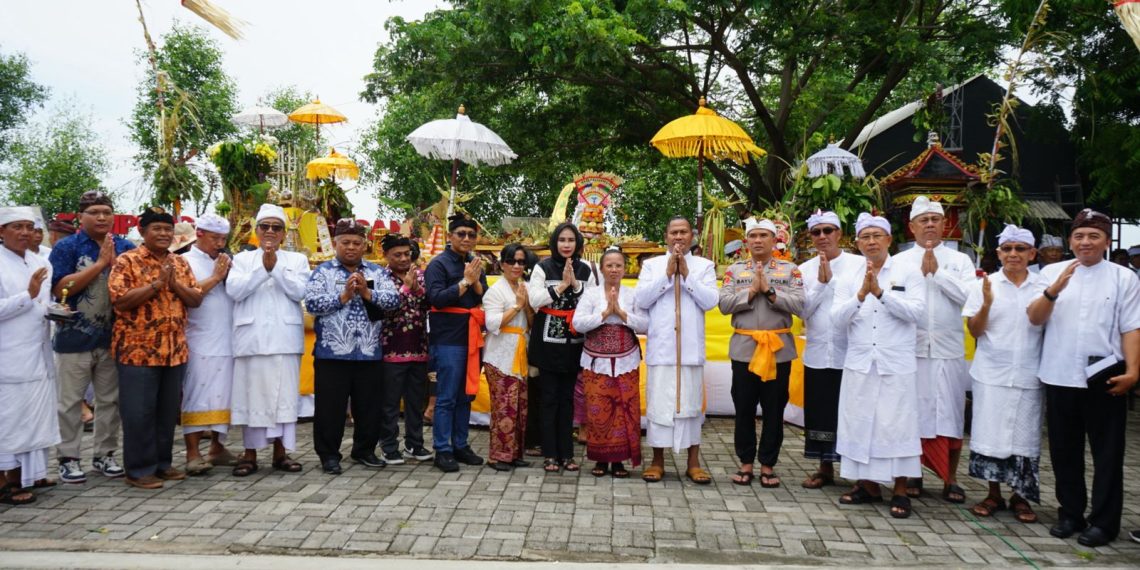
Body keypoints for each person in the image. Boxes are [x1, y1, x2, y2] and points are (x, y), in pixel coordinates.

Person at [1027, 209, 1140, 547]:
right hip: (1059, 373)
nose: (1085, 242)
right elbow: (1033, 318)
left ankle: (1104, 523)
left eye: (1093, 236)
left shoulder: (1124, 277)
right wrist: (1054, 290)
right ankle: (1070, 513)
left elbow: (1131, 327)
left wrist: (1134, 371)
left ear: (1106, 241)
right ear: (1070, 241)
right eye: (1079, 236)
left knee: (1107, 453)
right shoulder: (1049, 272)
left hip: (1105, 376)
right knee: (1064, 450)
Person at [832, 212, 926, 519]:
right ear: (857, 242)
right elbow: (836, 319)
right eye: (865, 237)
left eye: (877, 236)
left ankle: (899, 489)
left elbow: (916, 312)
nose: (871, 242)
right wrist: (860, 295)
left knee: (897, 424)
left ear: (888, 239)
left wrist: (881, 294)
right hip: (860, 361)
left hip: (895, 362)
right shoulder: (848, 275)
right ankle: (867, 485)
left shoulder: (909, 271)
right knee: (860, 421)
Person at [108, 207, 203, 489]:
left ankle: (163, 464)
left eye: (167, 229)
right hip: (138, 351)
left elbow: (195, 299)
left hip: (174, 350)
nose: (163, 234)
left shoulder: (180, 263)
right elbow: (120, 301)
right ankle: (138, 470)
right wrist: (156, 284)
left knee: (166, 412)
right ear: (142, 232)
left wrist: (173, 283)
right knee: (139, 413)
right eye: (156, 229)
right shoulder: (128, 261)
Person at [962, 224, 1047, 524]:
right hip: (991, 372)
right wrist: (986, 304)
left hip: (1029, 373)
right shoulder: (985, 285)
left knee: (1025, 437)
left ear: (1031, 253)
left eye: (1020, 249)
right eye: (1007, 249)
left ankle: (1021, 496)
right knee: (989, 434)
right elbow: (974, 331)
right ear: (998, 253)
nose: (1013, 254)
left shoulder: (1042, 287)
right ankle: (993, 493)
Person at [892, 196, 974, 503]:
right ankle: (913, 472)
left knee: (950, 414)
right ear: (911, 227)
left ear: (945, 224)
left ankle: (950, 479)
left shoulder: (960, 261)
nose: (929, 224)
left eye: (935, 220)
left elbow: (968, 298)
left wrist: (938, 274)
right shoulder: (898, 262)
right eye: (923, 220)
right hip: (910, 351)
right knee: (912, 414)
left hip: (948, 351)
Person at [48, 190, 133, 484]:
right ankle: (68, 458)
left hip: (114, 338)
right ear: (80, 216)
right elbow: (60, 290)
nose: (101, 217)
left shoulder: (126, 246)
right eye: (94, 212)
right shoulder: (67, 247)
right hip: (74, 338)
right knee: (69, 402)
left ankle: (104, 454)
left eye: (106, 212)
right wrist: (99, 266)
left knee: (111, 401)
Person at [304, 219, 400, 475]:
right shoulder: (323, 273)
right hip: (332, 353)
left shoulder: (377, 273)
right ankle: (328, 455)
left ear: (365, 246)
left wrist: (369, 295)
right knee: (329, 408)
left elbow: (393, 300)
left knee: (369, 406)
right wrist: (342, 297)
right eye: (345, 242)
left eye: (357, 243)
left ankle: (364, 450)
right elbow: (311, 304)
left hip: (369, 352)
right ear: (335, 244)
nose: (351, 247)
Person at [718, 218, 804, 487]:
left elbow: (800, 304)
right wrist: (751, 292)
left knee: (773, 409)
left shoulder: (790, 271)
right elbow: (723, 304)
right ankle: (745, 462)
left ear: (774, 239)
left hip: (778, 351)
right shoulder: (735, 270)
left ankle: (768, 464)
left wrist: (770, 291)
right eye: (753, 235)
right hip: (744, 350)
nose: (757, 240)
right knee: (743, 408)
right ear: (747, 240)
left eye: (763, 235)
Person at [227, 204, 310, 476]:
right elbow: (235, 291)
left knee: (284, 397)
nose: (270, 232)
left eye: (276, 227)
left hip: (284, 340)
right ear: (257, 230)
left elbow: (300, 291)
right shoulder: (242, 260)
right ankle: (249, 454)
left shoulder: (296, 260)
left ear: (284, 233)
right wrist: (262, 268)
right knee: (250, 398)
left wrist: (275, 269)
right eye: (265, 227)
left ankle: (281, 453)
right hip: (251, 340)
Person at [635, 216, 718, 484]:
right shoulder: (651, 265)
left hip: (690, 350)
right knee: (660, 405)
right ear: (666, 236)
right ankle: (657, 460)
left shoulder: (704, 266)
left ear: (692, 236)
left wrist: (686, 275)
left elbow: (710, 302)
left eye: (683, 232)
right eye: (674, 232)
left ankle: (693, 462)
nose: (679, 237)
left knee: (692, 405)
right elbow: (642, 299)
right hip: (662, 348)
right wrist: (668, 274)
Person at [796, 210, 864, 489]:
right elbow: (802, 312)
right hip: (818, 352)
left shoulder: (859, 265)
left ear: (840, 234)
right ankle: (824, 467)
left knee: (853, 412)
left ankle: (859, 473)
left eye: (828, 230)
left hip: (853, 352)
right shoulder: (804, 270)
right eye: (816, 232)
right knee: (820, 412)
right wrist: (822, 285)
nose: (823, 236)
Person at [0, 207, 59, 505]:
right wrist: (28, 295)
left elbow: (43, 304)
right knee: (8, 420)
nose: (24, 232)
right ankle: (2, 482)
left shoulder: (39, 261)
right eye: (16, 226)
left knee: (31, 419)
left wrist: (59, 313)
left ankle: (25, 475)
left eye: (28, 226)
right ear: (1, 231)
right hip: (8, 357)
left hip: (38, 352)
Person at [527, 222, 597, 473]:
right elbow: (534, 299)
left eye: (571, 240)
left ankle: (567, 453)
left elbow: (592, 300)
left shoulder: (586, 268)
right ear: (554, 242)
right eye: (562, 240)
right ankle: (550, 454)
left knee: (567, 399)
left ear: (578, 243)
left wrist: (575, 284)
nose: (566, 244)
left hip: (574, 342)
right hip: (546, 342)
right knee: (548, 398)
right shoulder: (542, 267)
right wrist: (561, 286)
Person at [573, 247, 648, 479]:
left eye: (618, 265)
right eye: (609, 265)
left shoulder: (633, 294)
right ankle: (599, 459)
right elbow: (578, 323)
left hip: (626, 360)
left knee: (625, 410)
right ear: (602, 269)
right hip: (596, 363)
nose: (614, 269)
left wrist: (622, 314)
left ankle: (619, 461)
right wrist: (605, 314)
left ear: (625, 269)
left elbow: (645, 325)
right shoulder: (591, 294)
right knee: (598, 411)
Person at [425, 213, 488, 472]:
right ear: (450, 236)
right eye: (461, 234)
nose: (466, 238)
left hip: (471, 335)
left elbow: (481, 293)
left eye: (471, 235)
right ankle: (442, 449)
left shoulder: (474, 262)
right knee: (447, 396)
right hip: (448, 337)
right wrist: (465, 281)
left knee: (466, 395)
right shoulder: (437, 265)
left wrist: (473, 282)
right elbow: (437, 299)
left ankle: (460, 444)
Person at [180, 214, 237, 475]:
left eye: (223, 239)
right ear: (199, 234)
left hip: (227, 338)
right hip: (199, 339)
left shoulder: (227, 261)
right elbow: (188, 295)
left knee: (223, 395)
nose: (219, 243)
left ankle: (217, 447)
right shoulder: (184, 261)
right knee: (197, 395)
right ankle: (193, 452)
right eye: (215, 238)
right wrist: (216, 277)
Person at [378, 234, 433, 464]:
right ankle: (389, 447)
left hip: (419, 348)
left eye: (406, 254)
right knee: (390, 404)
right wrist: (405, 290)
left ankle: (415, 444)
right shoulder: (380, 278)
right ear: (386, 256)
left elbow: (430, 304)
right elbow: (381, 310)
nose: (403, 259)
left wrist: (417, 288)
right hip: (391, 349)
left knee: (415, 401)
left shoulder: (420, 274)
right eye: (397, 255)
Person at [483, 243, 536, 472]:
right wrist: (517, 306)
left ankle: (514, 453)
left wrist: (527, 308)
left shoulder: (524, 287)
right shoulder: (496, 290)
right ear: (502, 264)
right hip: (500, 354)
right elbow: (492, 323)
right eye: (512, 261)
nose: (516, 266)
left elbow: (531, 323)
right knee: (504, 406)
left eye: (521, 262)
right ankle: (497, 455)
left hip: (520, 352)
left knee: (520, 407)